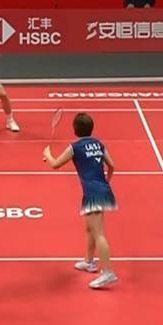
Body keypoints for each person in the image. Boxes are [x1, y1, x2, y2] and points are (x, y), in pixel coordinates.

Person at [42, 113, 118, 289]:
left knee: (99, 233)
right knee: (90, 228)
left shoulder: (75, 147)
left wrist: (48, 154)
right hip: (101, 189)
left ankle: (108, 272)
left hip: (92, 193)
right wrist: (106, 182)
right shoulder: (98, 144)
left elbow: (55, 164)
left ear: (75, 129)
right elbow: (112, 165)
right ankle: (89, 262)